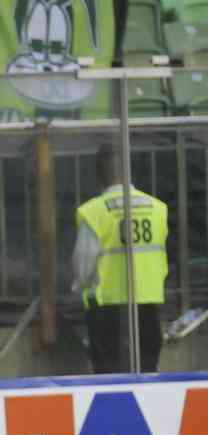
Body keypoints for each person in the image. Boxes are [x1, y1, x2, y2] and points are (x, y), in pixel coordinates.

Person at [72, 143, 169, 374]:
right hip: (148, 302)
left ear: (98, 174)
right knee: (147, 370)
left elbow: (83, 263)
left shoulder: (94, 211)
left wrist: (79, 287)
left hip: (106, 306)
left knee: (108, 374)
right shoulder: (157, 208)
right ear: (128, 170)